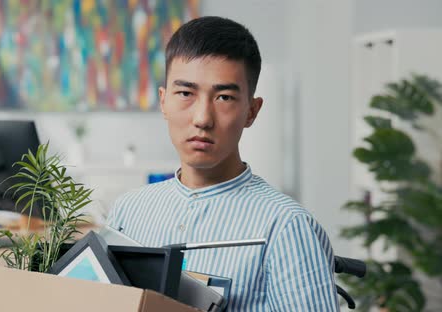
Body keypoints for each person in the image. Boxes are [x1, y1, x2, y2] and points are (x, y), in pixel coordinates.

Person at [107, 16, 339, 311]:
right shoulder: (128, 211)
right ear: (164, 101)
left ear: (252, 111)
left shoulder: (286, 227)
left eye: (224, 97)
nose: (203, 118)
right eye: (186, 93)